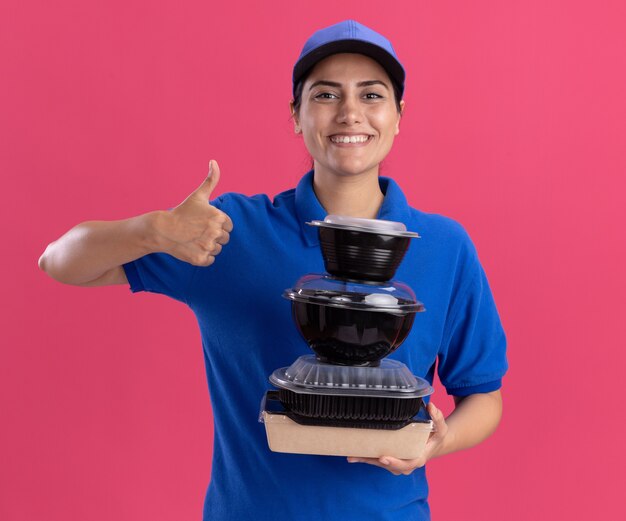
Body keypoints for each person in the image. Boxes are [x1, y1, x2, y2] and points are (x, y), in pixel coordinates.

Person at [39, 20, 507, 521]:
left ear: (398, 116)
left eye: (371, 95)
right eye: (326, 94)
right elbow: (60, 262)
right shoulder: (228, 231)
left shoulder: (445, 247)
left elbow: (483, 395)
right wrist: (153, 229)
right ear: (296, 114)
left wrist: (439, 441)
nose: (350, 113)